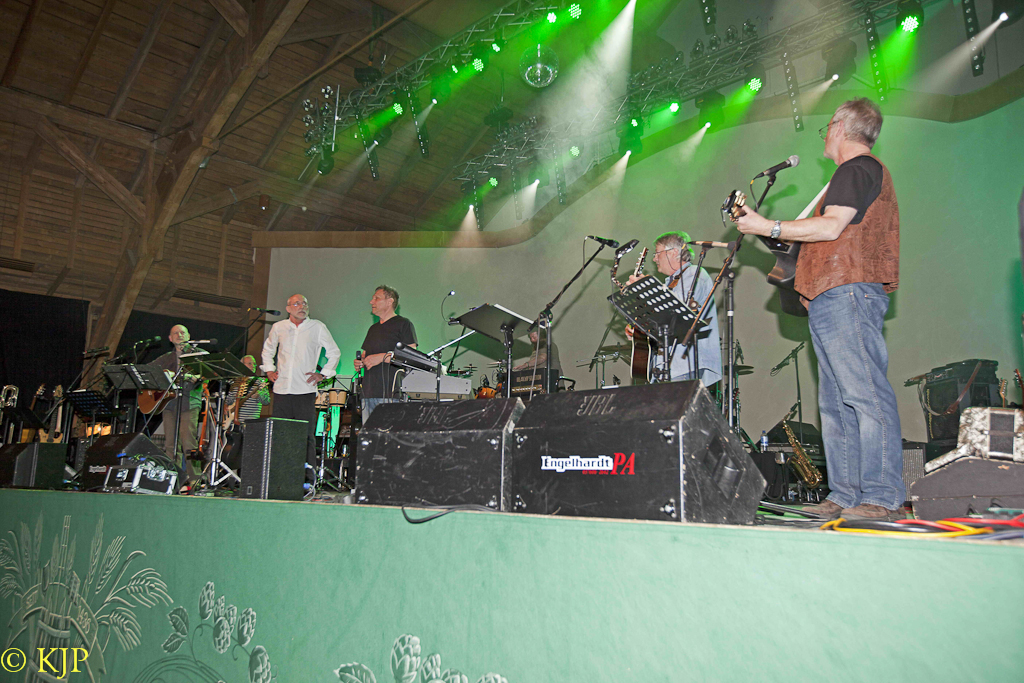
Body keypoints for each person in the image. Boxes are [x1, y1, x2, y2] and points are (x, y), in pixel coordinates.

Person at [735, 98, 903, 521]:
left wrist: (766, 225)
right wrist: (767, 230)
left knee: (864, 395)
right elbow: (818, 239)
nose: (824, 136)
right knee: (836, 404)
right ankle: (844, 494)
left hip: (848, 292)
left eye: (827, 127)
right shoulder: (853, 174)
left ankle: (882, 496)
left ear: (841, 126)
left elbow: (830, 227)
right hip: (833, 294)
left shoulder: (856, 169)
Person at [626, 231, 722, 386]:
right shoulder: (669, 284)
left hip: (685, 364)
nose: (654, 259)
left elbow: (677, 309)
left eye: (657, 253)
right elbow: (662, 320)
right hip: (665, 367)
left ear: (674, 252)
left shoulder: (694, 273)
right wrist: (638, 330)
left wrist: (647, 289)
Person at [261, 294, 341, 475]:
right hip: (281, 390)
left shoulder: (317, 327)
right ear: (288, 308)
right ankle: (280, 477)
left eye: (305, 303)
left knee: (305, 437)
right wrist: (269, 370)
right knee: (280, 435)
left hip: (304, 391)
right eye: (297, 304)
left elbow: (334, 352)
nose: (302, 306)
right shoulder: (279, 327)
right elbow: (268, 350)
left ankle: (307, 479)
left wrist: (324, 374)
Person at [353, 286, 417, 424]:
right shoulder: (373, 329)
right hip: (368, 394)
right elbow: (365, 355)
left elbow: (412, 356)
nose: (371, 302)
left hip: (391, 394)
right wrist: (360, 362)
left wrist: (382, 357)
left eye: (376, 298)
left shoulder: (403, 324)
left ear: (389, 302)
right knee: (369, 436)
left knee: (388, 435)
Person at [151, 324, 204, 482]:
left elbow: (207, 373)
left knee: (188, 442)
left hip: (189, 402)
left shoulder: (199, 354)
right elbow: (149, 370)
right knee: (170, 445)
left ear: (188, 336)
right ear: (170, 338)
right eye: (175, 333)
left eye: (182, 332)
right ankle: (173, 479)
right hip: (169, 404)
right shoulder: (165, 358)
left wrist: (195, 377)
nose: (179, 335)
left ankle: (195, 480)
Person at [223, 355, 270, 426]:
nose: (253, 366)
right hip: (232, 421)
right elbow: (229, 400)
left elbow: (266, 401)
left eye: (254, 364)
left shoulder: (260, 381)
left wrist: (259, 395)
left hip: (250, 421)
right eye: (250, 363)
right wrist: (225, 407)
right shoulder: (235, 382)